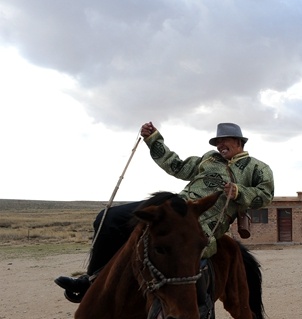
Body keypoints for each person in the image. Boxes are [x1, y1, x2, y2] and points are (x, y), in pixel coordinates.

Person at [55, 122, 274, 303]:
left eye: (223, 141)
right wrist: (154, 139)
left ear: (239, 142)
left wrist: (239, 191)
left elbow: (265, 195)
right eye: (217, 142)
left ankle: (193, 302)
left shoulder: (257, 168)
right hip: (175, 205)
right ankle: (90, 281)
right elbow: (177, 166)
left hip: (206, 219)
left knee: (185, 249)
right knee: (108, 218)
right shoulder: (209, 159)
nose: (219, 145)